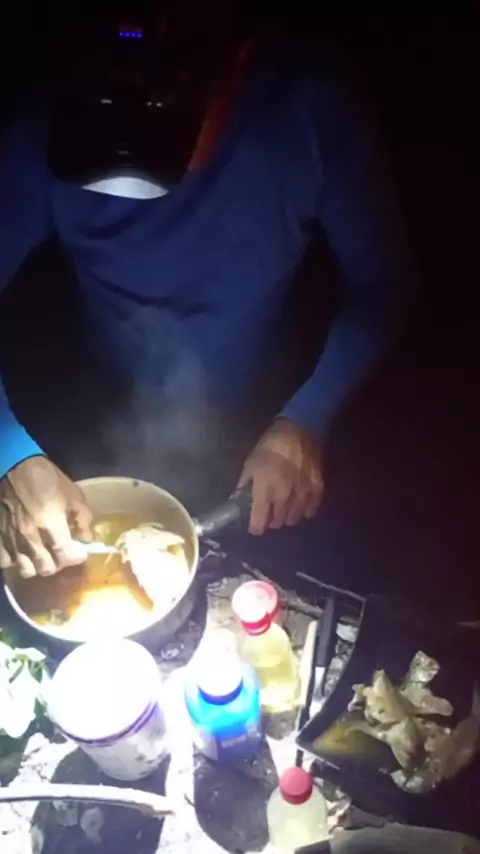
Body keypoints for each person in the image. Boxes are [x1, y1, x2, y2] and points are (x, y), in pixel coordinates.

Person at [0, 3, 412, 580]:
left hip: (269, 400)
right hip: (101, 400)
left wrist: (306, 419)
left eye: (161, 122)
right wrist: (11, 453)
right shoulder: (45, 126)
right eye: (102, 117)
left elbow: (383, 289)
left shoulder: (310, 107)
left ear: (237, 63)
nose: (125, 147)